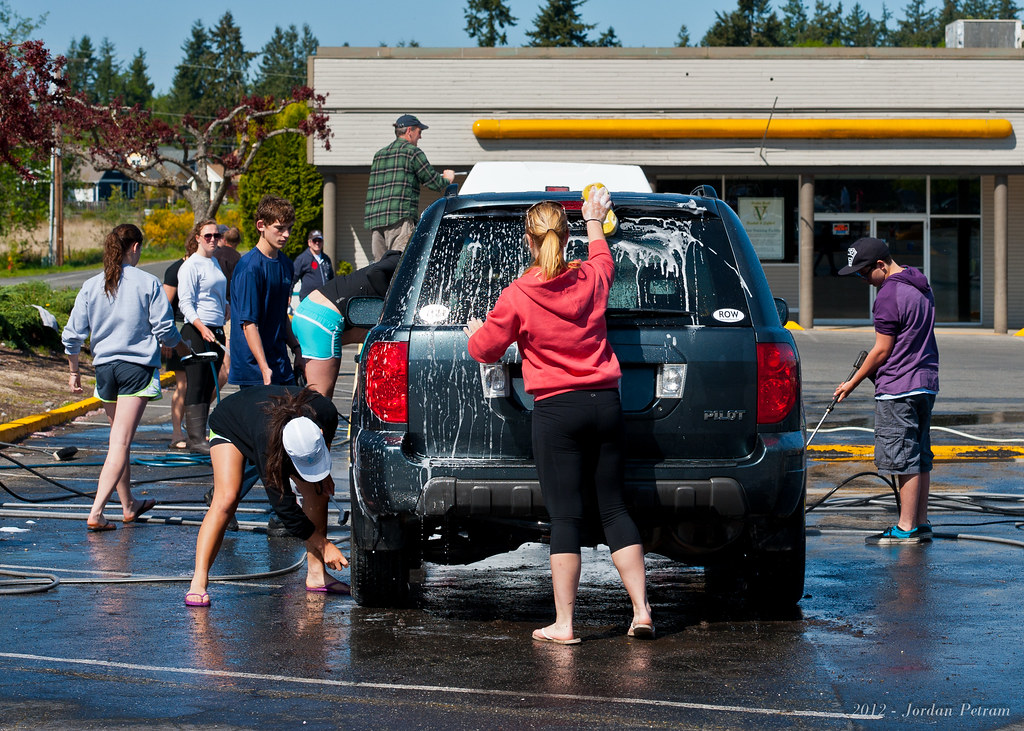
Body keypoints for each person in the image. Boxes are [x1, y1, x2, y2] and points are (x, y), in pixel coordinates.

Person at [464, 189, 653, 643]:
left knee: (566, 517)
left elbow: (483, 350)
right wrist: (593, 218)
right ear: (565, 238)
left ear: (529, 242)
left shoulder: (518, 294)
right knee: (614, 508)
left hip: (556, 410)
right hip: (605, 404)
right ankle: (643, 611)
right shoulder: (591, 278)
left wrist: (476, 332)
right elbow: (604, 255)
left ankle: (565, 625)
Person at [62, 223, 191, 531]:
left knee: (121, 441)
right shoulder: (147, 282)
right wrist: (183, 348)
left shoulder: (92, 285)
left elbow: (72, 336)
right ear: (134, 248)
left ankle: (128, 504)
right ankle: (96, 512)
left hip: (105, 369)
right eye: (141, 248)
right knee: (119, 442)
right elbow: (165, 330)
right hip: (135, 369)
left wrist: (73, 371)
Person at [185, 386, 348, 607]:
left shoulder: (325, 411)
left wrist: (323, 474)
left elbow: (323, 445)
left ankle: (317, 575)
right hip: (231, 422)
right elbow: (285, 508)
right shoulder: (268, 445)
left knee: (318, 491)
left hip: (265, 418)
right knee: (227, 498)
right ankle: (199, 581)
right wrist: (325, 545)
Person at [834, 236, 939, 545]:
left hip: (898, 388)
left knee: (903, 457)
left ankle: (905, 528)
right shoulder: (920, 285)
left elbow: (881, 351)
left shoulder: (888, 294)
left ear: (881, 265)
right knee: (920, 455)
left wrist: (851, 384)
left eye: (864, 273)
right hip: (925, 383)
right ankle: (920, 522)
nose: (863, 279)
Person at [292, 249, 401, 399]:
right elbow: (375, 272)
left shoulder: (395, 257)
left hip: (307, 310)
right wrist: (391, 307)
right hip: (322, 320)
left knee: (309, 399)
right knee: (321, 402)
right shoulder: (403, 260)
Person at [228, 195, 302, 387]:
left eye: (289, 228)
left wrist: (296, 349)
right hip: (254, 368)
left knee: (292, 415)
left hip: (279, 361)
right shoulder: (249, 268)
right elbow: (249, 324)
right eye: (279, 228)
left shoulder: (286, 264)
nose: (286, 234)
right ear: (261, 225)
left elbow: (280, 315)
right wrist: (263, 367)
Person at [364, 114, 456, 261]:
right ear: (409, 131)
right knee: (399, 264)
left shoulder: (379, 155)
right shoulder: (413, 152)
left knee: (379, 269)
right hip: (400, 219)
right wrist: (447, 179)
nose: (420, 137)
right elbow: (433, 182)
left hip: (376, 221)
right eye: (419, 132)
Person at [177, 219, 229, 453]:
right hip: (197, 331)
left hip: (216, 330)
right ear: (197, 237)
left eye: (216, 236)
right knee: (196, 383)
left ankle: (200, 433)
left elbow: (216, 294)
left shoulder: (215, 262)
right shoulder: (191, 266)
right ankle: (195, 437)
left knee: (210, 382)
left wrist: (226, 305)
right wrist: (201, 326)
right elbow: (185, 303)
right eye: (207, 235)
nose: (212, 240)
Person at [162, 245, 194, 450]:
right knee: (182, 383)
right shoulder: (176, 270)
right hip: (179, 329)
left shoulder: (204, 267)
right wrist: (166, 338)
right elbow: (164, 306)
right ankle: (176, 433)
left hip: (199, 328)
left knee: (200, 384)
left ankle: (194, 429)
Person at [292, 229, 334, 302]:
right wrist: (288, 295)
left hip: (325, 300)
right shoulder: (302, 259)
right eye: (315, 241)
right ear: (309, 243)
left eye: (319, 240)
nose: (317, 243)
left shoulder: (326, 259)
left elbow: (331, 279)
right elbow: (292, 278)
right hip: (309, 300)